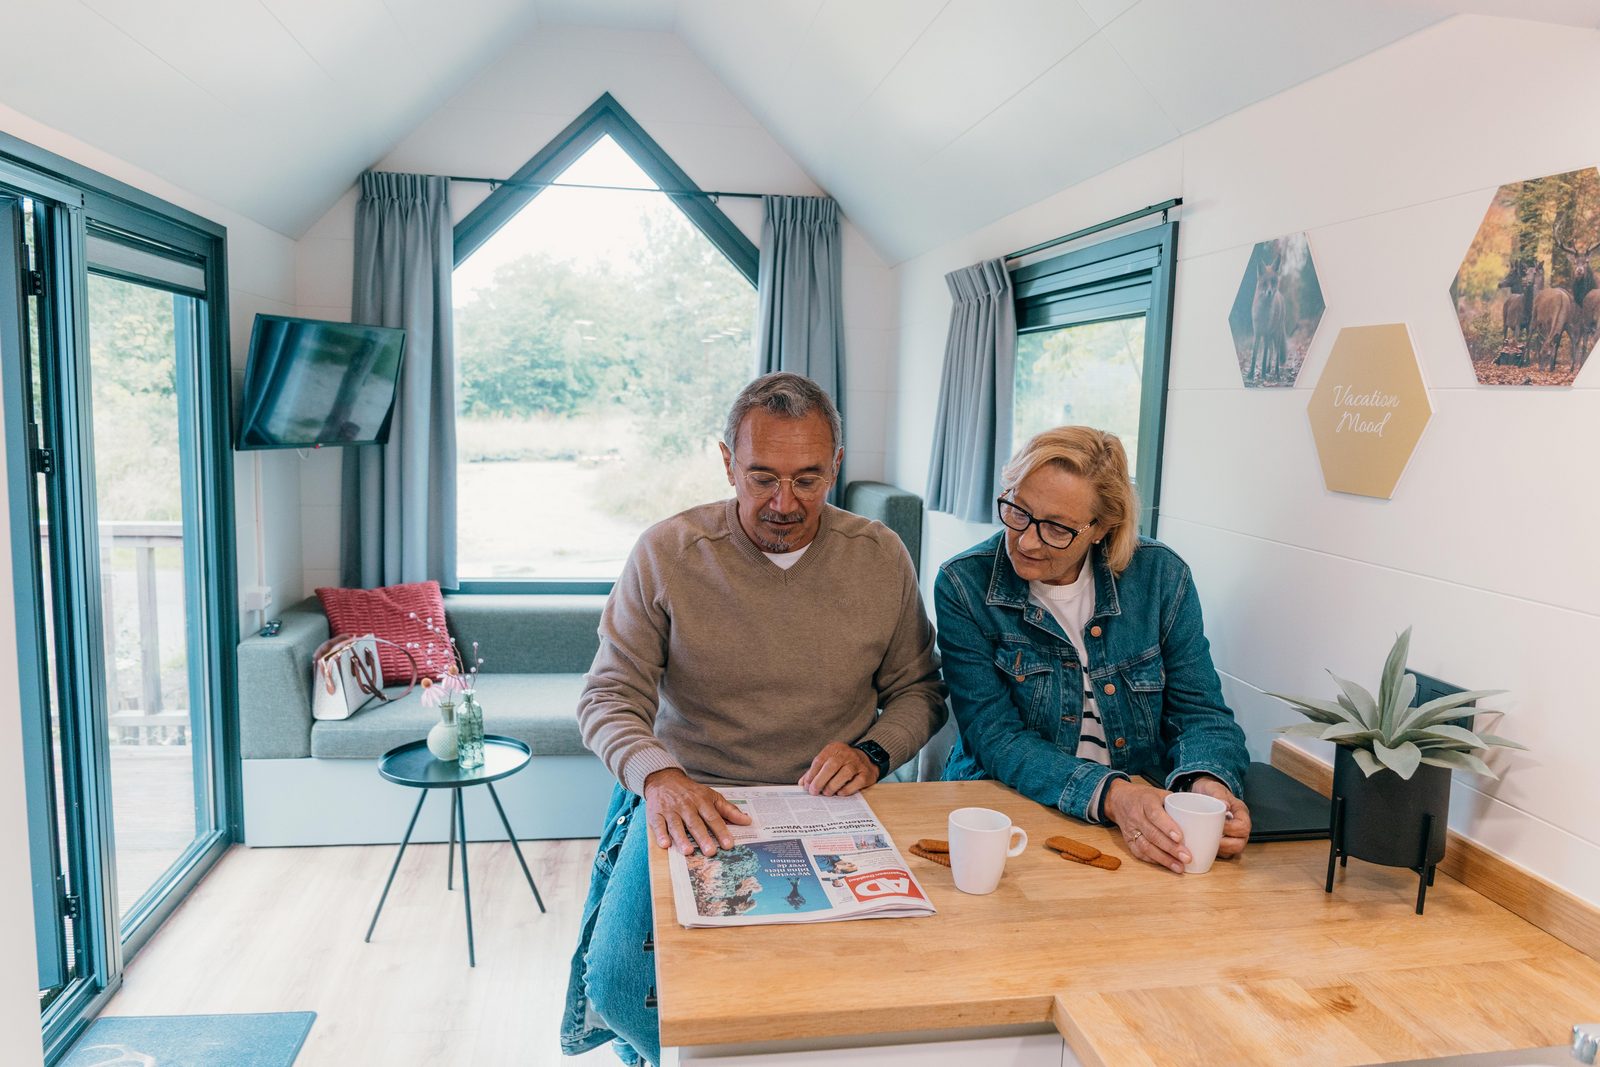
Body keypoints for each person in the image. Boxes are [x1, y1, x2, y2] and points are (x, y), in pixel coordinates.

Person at [561, 372, 947, 1066]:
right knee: (621, 986)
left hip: (832, 803)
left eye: (807, 479)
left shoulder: (879, 554)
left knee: (858, 982)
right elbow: (607, 696)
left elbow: (920, 689)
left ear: (836, 464)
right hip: (697, 798)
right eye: (762, 476)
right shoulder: (668, 551)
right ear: (727, 462)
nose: (783, 503)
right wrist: (660, 778)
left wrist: (874, 752)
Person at [935, 426, 1250, 874]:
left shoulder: (1161, 577)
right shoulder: (963, 584)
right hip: (1008, 810)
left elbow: (1201, 714)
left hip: (1142, 814)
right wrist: (1113, 796)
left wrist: (1208, 782)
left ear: (1102, 528)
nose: (1026, 540)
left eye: (1057, 528)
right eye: (1018, 511)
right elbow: (994, 735)